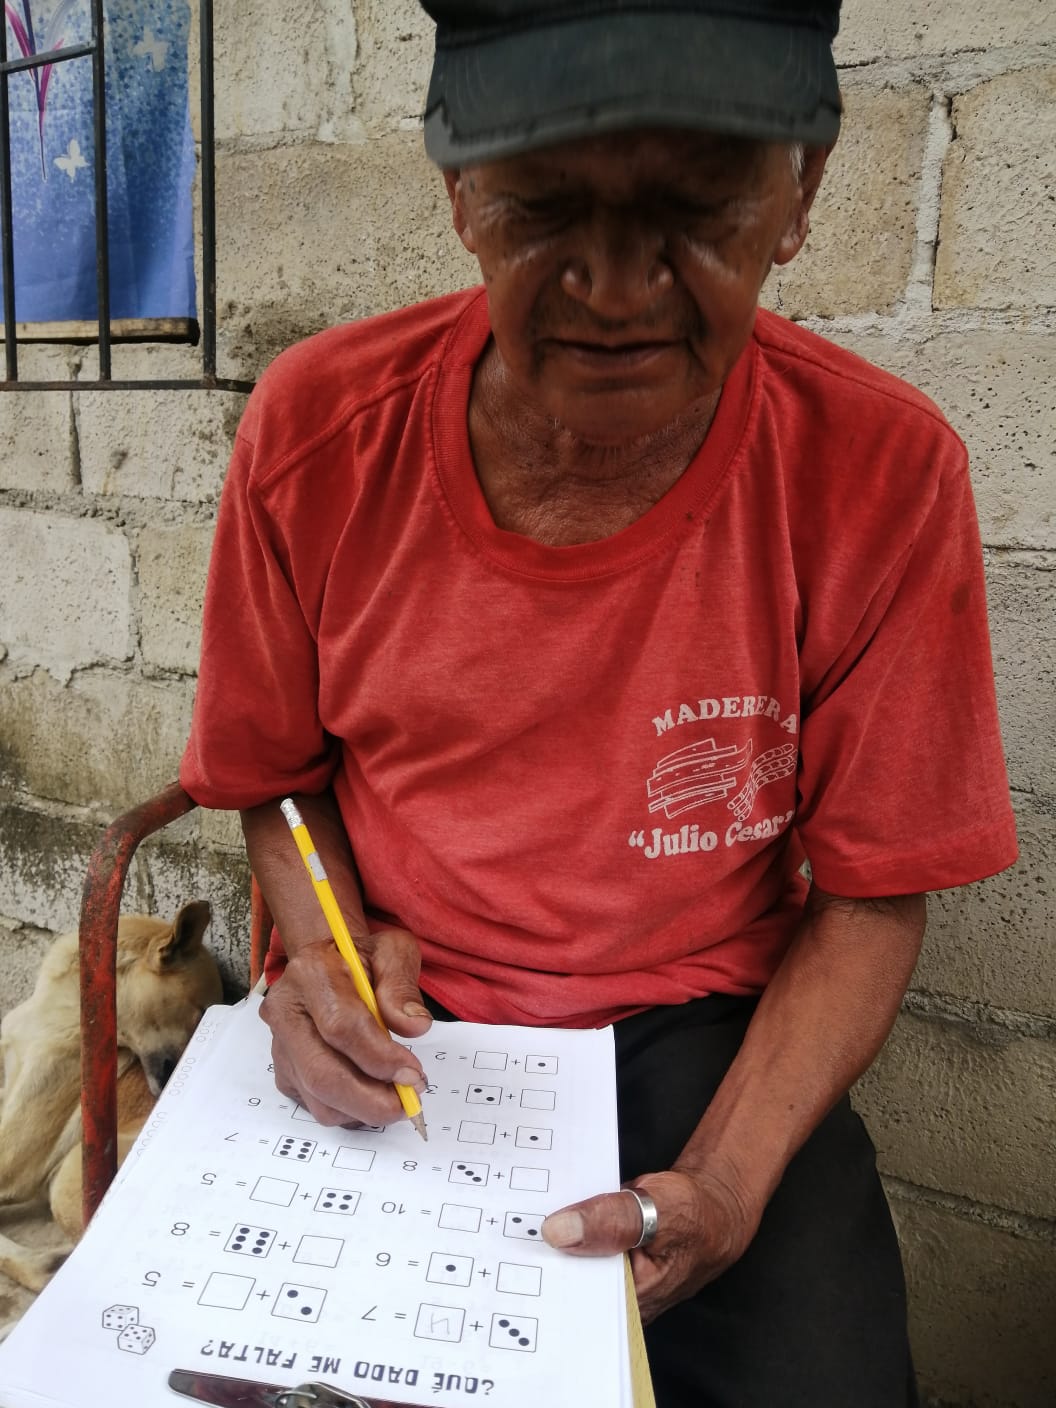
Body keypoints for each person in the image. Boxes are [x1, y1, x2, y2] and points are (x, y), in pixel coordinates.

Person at [180, 2, 1018, 1403]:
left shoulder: (881, 472)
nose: (619, 289)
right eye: (543, 203)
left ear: (800, 192)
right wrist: (323, 954)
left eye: (697, 205)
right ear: (460, 193)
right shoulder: (317, 430)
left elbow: (874, 897)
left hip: (710, 1027)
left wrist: (729, 1185)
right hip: (416, 1013)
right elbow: (272, 777)